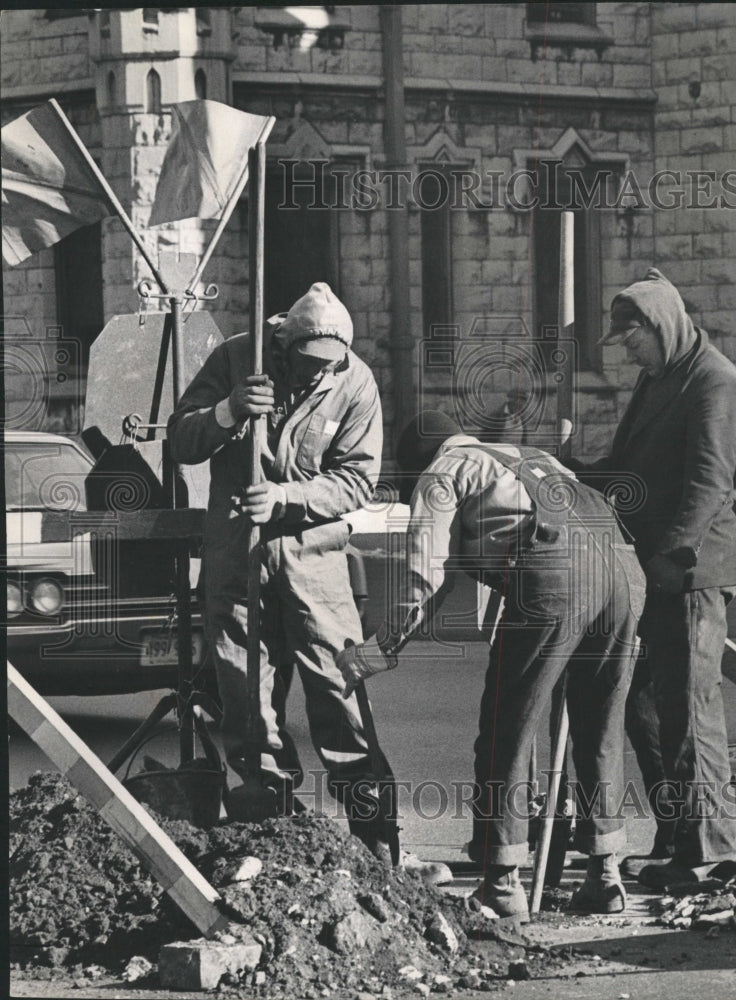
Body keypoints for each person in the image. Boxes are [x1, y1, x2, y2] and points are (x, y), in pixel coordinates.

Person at [337, 411, 646, 919]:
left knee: (509, 725)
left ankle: (503, 885)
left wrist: (376, 652)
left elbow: (425, 576)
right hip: (621, 569)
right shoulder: (530, 457)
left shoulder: (443, 473)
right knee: (600, 728)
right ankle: (605, 875)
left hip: (556, 574)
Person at [167, 282, 430, 871]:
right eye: (308, 366)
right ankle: (272, 840)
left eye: (328, 368)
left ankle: (377, 843)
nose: (317, 378)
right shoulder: (240, 356)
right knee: (247, 703)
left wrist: (286, 497)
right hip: (238, 561)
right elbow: (181, 439)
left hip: (316, 563)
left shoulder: (355, 380)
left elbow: (358, 480)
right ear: (284, 346)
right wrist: (229, 411)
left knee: (340, 695)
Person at [576, 268, 736, 888]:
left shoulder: (714, 384)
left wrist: (667, 561)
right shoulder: (663, 378)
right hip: (652, 571)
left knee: (690, 710)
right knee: (646, 708)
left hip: (690, 574)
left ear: (661, 326)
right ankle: (677, 837)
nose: (627, 355)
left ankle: (711, 855)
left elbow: (709, 487)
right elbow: (626, 467)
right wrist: (569, 469)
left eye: (632, 342)